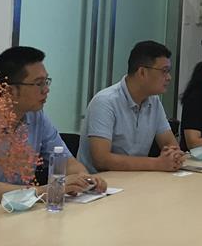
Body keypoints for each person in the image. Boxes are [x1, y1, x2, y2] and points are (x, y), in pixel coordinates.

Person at [0, 46, 106, 210]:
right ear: (9, 90)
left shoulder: (36, 116)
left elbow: (67, 161)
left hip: (10, 213)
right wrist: (42, 191)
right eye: (38, 83)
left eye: (46, 81)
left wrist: (84, 179)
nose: (46, 90)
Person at [77, 41, 187, 173]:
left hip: (134, 178)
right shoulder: (105, 102)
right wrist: (157, 163)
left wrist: (174, 156)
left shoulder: (154, 101)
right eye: (164, 71)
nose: (169, 77)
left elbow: (170, 144)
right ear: (142, 72)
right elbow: (101, 160)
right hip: (100, 182)